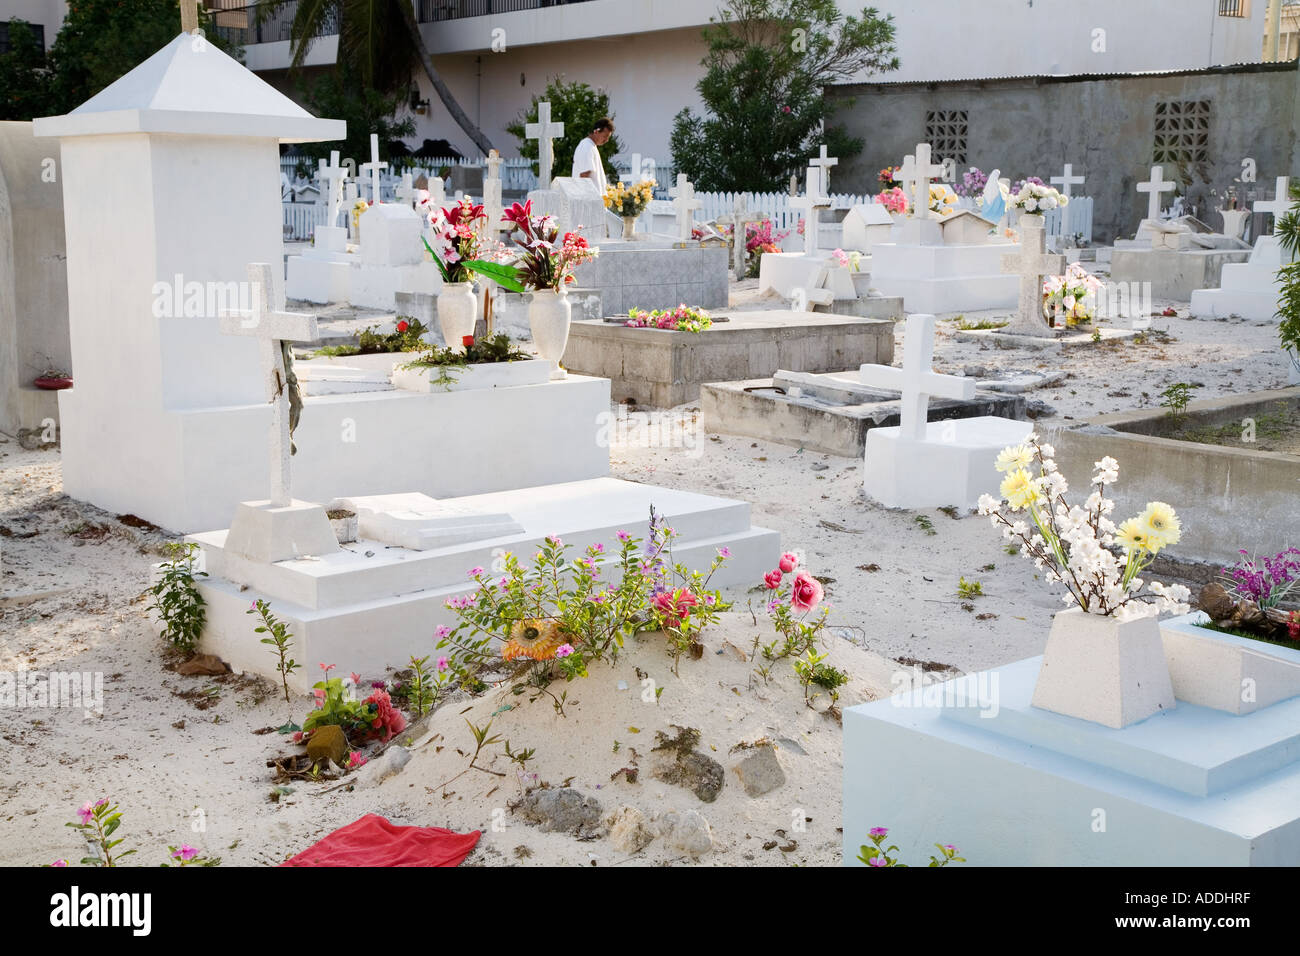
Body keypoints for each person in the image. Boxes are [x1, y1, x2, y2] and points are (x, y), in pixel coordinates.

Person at [573, 118, 614, 196]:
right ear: (596, 131)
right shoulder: (586, 146)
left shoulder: (591, 146)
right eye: (605, 136)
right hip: (589, 202)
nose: (607, 140)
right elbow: (584, 175)